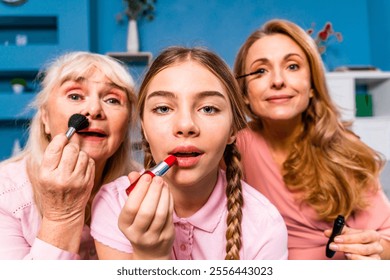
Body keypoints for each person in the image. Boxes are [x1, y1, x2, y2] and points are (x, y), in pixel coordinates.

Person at [90, 46, 288, 260]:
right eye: (163, 108)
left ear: (232, 129)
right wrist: (150, 256)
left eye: (208, 108)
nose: (185, 125)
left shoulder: (265, 224)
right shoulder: (114, 203)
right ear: (144, 128)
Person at [233, 19, 390, 260]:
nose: (277, 80)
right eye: (260, 71)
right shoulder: (232, 149)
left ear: (313, 85)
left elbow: (386, 241)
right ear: (244, 93)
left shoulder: (345, 149)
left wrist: (373, 248)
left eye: (293, 66)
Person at [0, 51, 139, 259]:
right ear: (44, 118)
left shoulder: (144, 186)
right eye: (75, 96)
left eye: (112, 100)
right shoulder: (6, 191)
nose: (93, 110)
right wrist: (61, 217)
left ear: (127, 125)